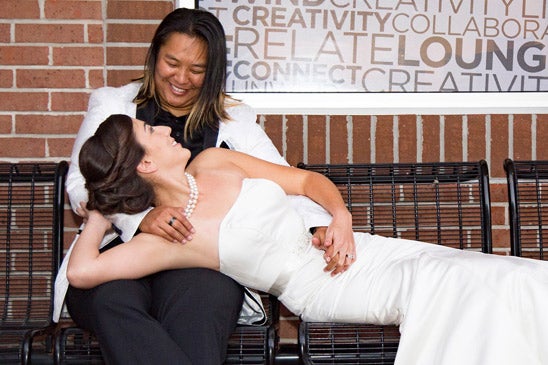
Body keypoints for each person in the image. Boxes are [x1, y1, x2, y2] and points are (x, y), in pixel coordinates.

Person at [71, 114, 548, 365]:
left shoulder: (214, 161)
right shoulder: (171, 238)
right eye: (151, 131)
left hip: (349, 247)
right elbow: (82, 272)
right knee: (445, 280)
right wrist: (100, 211)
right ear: (146, 165)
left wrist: (339, 216)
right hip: (320, 285)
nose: (165, 127)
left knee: (501, 273)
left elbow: (304, 182)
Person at [53, 7, 331, 364]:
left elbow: (283, 178)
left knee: (202, 306)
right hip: (116, 251)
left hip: (196, 260)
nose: (181, 78)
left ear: (212, 73)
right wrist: (141, 219)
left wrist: (317, 224)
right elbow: (80, 183)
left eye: (197, 69)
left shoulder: (235, 119)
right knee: (111, 302)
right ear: (155, 55)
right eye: (172, 62)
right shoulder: (112, 103)